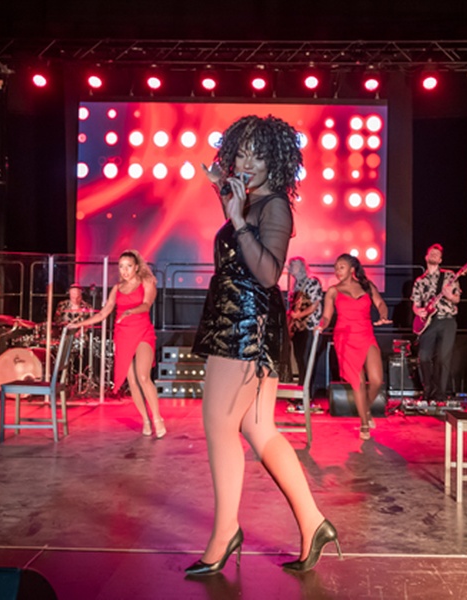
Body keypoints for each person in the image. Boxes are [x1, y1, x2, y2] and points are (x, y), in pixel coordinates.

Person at [187, 115, 340, 577]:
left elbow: (269, 274)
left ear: (276, 160)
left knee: (219, 423)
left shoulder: (274, 207)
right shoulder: (251, 201)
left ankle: (225, 534)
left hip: (245, 325)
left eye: (257, 154)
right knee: (258, 428)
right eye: (240, 153)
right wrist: (224, 191)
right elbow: (241, 243)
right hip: (238, 319)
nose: (246, 162)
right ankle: (313, 523)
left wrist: (236, 217)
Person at [67, 250, 166, 438]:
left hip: (142, 331)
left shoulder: (146, 283)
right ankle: (145, 419)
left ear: (136, 267)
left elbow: (146, 304)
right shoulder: (117, 289)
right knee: (132, 381)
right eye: (121, 267)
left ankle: (157, 418)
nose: (124, 271)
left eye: (128, 266)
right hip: (123, 335)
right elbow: (103, 313)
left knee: (143, 376)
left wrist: (131, 311)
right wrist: (79, 324)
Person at [318, 254, 391, 440]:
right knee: (358, 382)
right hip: (345, 337)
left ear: (352, 269)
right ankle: (364, 423)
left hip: (366, 334)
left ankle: (365, 409)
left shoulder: (366, 286)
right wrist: (321, 325)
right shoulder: (333, 291)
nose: (337, 271)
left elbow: (380, 303)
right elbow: (326, 316)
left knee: (376, 380)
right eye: (335, 268)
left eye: (341, 267)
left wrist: (383, 315)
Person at [411, 243, 461, 402]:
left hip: (447, 320)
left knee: (443, 358)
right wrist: (418, 311)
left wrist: (450, 296)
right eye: (431, 253)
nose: (433, 255)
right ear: (426, 257)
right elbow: (415, 304)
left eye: (437, 254)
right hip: (429, 323)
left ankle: (440, 393)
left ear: (440, 260)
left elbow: (457, 299)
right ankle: (428, 389)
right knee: (424, 356)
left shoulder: (449, 276)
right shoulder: (420, 281)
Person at [287, 257, 324, 410]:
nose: (291, 268)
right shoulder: (295, 286)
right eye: (290, 265)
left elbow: (314, 305)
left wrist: (298, 315)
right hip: (299, 329)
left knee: (307, 361)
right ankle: (301, 394)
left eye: (294, 265)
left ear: (303, 267)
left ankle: (307, 396)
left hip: (311, 327)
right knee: (300, 362)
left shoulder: (312, 282)